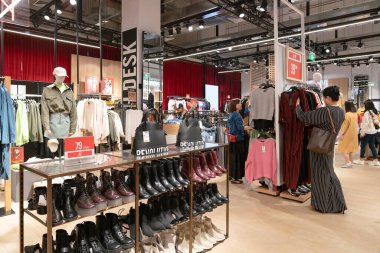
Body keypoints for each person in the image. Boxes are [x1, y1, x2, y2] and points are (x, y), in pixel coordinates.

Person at [296, 86, 347, 214]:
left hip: (319, 147)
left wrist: (297, 106)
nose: (323, 99)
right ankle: (337, 203)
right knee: (329, 172)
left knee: (319, 175)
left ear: (328, 98)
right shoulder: (341, 111)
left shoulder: (325, 111)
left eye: (324, 97)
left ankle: (323, 204)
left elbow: (304, 117)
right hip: (329, 146)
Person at [227, 99, 252, 183]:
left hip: (232, 139)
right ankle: (236, 178)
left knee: (233, 158)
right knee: (238, 158)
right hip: (238, 139)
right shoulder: (237, 115)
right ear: (236, 105)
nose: (241, 104)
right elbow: (240, 127)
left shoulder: (231, 114)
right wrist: (248, 127)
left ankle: (232, 176)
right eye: (240, 103)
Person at [353, 100, 380, 166]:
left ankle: (361, 159)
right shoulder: (374, 111)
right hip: (373, 131)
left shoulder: (367, 113)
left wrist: (362, 132)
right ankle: (376, 160)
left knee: (363, 145)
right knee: (372, 145)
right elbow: (376, 121)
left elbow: (365, 123)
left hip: (367, 132)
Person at [337, 101, 359, 168]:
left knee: (344, 148)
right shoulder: (355, 114)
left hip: (347, 133)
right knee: (351, 149)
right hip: (354, 133)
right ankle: (350, 162)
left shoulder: (347, 114)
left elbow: (346, 126)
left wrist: (341, 133)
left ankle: (348, 162)